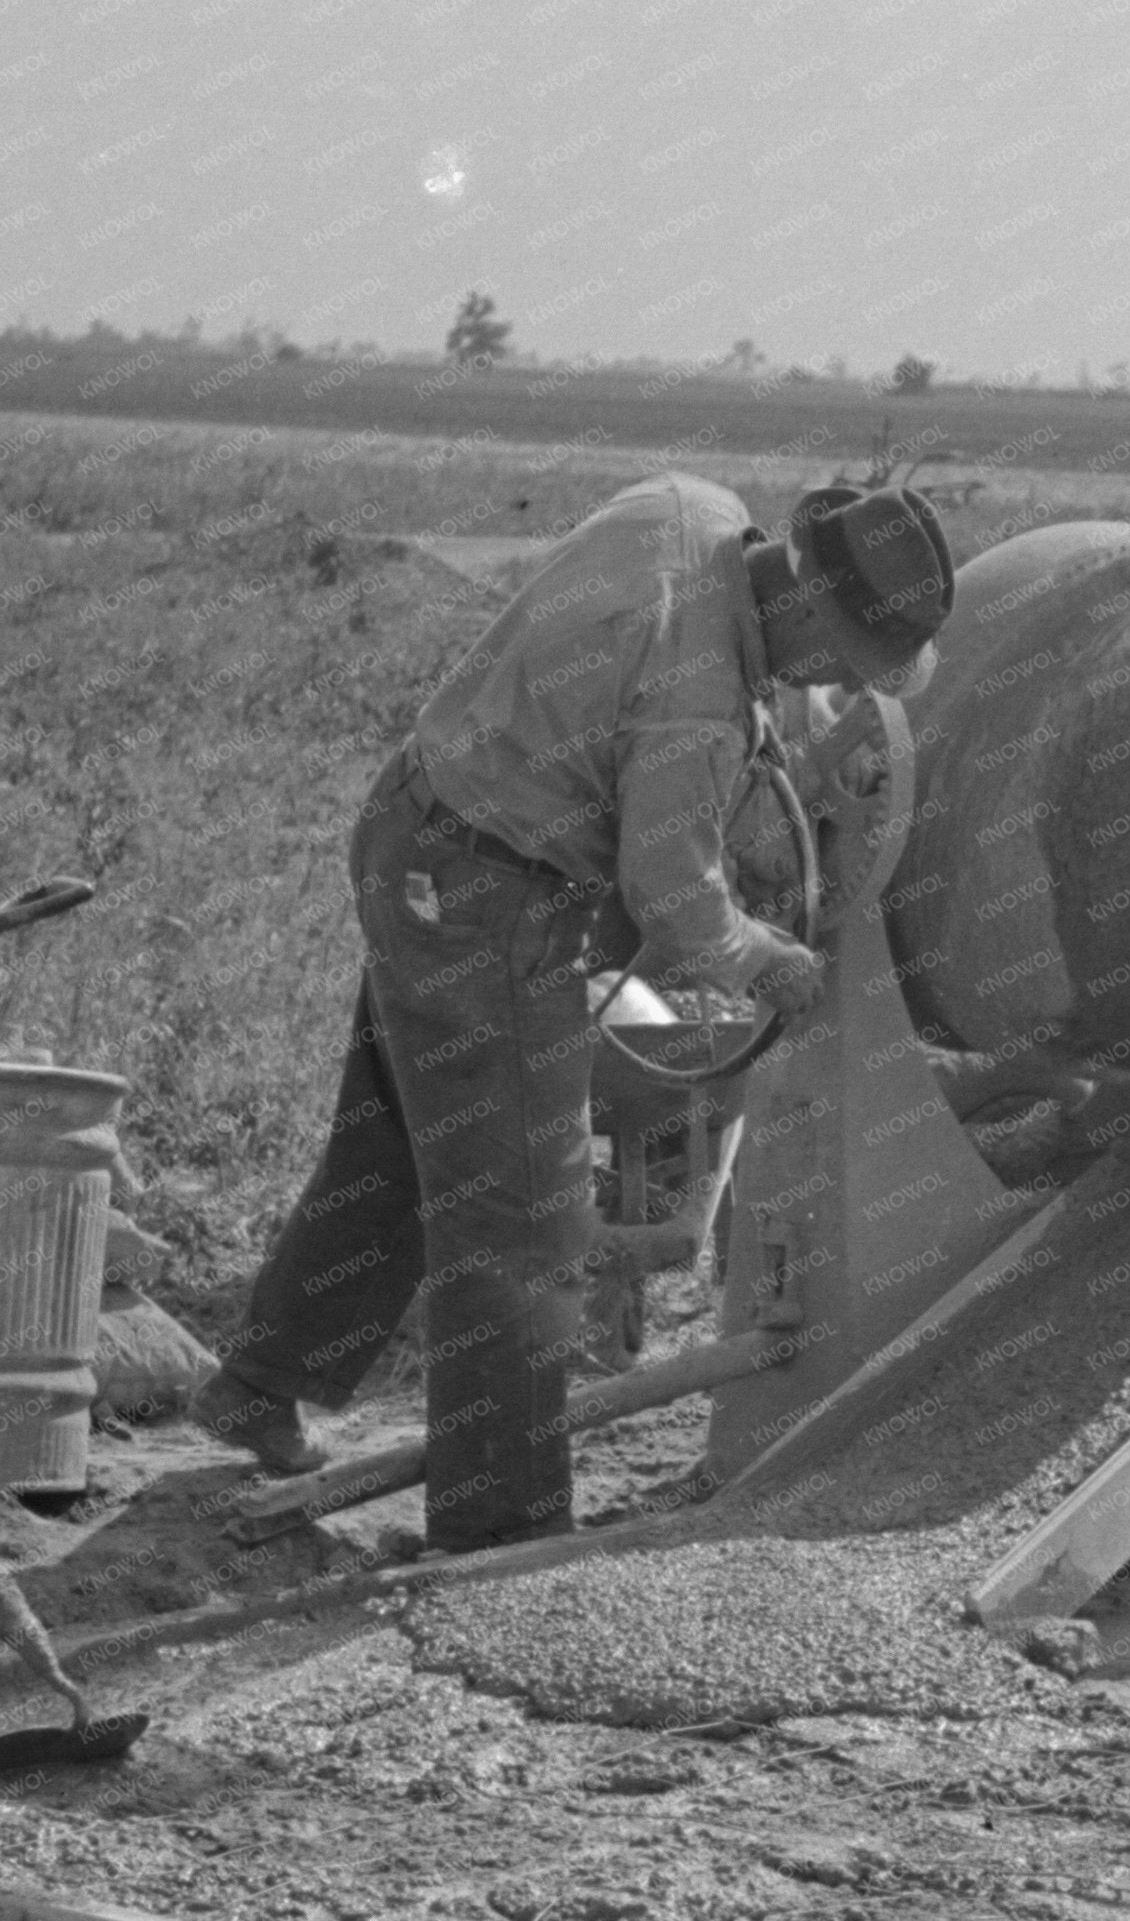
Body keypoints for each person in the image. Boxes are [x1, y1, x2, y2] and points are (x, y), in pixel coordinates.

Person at [188, 473, 956, 1548]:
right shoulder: (694, 704)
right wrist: (764, 957)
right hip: (487, 900)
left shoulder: (685, 508)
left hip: (415, 821)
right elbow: (676, 899)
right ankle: (499, 1535)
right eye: (842, 662)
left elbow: (653, 702)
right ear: (810, 610)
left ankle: (259, 1386)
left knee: (401, 1151)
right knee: (522, 1230)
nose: (834, 683)